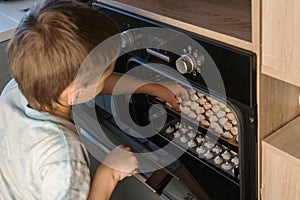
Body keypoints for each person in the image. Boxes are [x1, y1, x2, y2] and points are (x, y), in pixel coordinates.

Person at [0, 0, 188, 199]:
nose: (107, 78)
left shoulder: (19, 88)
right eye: (106, 74)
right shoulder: (64, 158)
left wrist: (153, 88)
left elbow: (91, 85)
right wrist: (109, 173)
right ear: (76, 94)